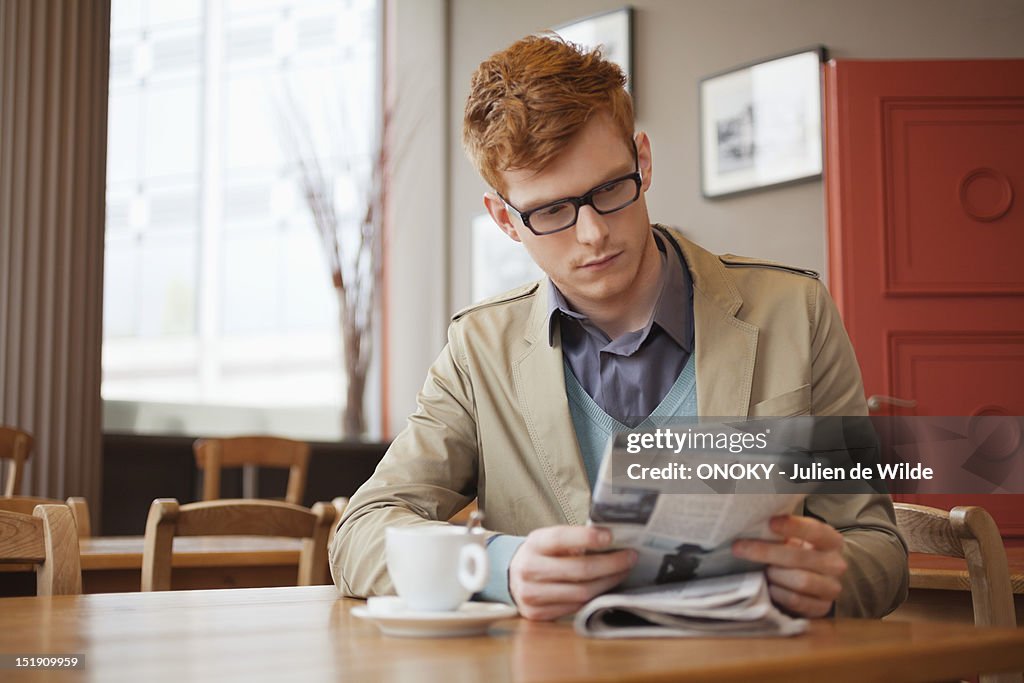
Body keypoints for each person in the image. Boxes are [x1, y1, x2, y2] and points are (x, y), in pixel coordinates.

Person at [330, 34, 908, 621]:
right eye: (551, 211)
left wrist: (831, 580)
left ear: (643, 161)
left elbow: (878, 550)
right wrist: (500, 567)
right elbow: (358, 535)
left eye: (609, 189)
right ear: (505, 220)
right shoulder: (477, 353)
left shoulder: (796, 310)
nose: (593, 234)